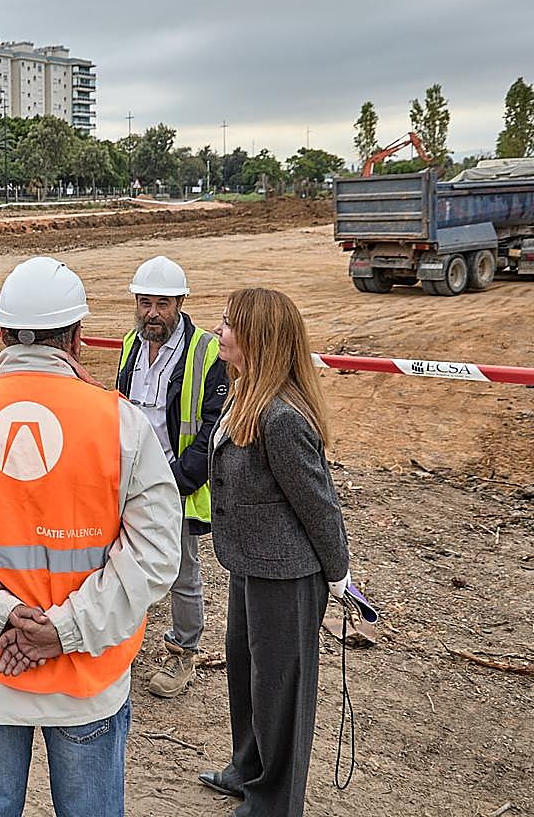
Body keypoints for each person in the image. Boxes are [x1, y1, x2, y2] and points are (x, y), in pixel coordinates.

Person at [0, 255, 182, 817]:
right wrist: (65, 630)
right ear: (76, 337)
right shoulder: (122, 424)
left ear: (1, 334)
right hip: (87, 679)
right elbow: (154, 553)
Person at [201, 287, 351, 816]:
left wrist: (339, 577)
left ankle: (274, 803)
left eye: (227, 324)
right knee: (247, 674)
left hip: (287, 576)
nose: (219, 331)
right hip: (248, 564)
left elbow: (319, 505)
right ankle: (248, 769)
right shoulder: (244, 395)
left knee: (280, 692)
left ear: (256, 338)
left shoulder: (282, 417)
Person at [114, 254, 226, 698]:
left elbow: (215, 426)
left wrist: (180, 480)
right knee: (121, 560)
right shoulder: (131, 345)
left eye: (162, 303)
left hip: (178, 480)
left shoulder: (206, 352)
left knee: (181, 572)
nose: (152, 313)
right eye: (145, 303)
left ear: (179, 303)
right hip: (129, 479)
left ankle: (183, 653)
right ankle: (121, 643)